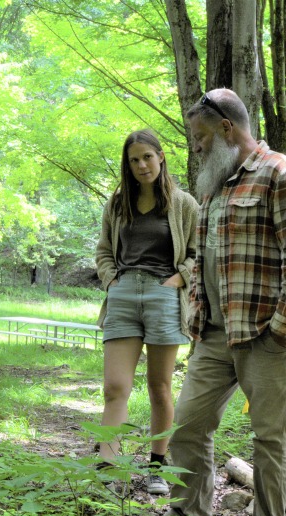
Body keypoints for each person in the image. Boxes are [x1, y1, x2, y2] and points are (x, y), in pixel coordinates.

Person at [168, 89, 286, 516]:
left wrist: (281, 329)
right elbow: (202, 259)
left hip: (263, 336)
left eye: (199, 137)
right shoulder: (214, 186)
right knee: (188, 427)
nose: (195, 146)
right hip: (213, 336)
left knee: (269, 437)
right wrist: (196, 313)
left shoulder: (280, 173)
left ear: (226, 129)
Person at [95, 129, 199, 495]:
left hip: (163, 297)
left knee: (159, 387)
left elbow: (199, 251)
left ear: (161, 157)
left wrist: (178, 279)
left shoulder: (183, 203)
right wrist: (112, 281)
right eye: (134, 160)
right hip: (123, 296)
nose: (142, 165)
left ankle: (157, 466)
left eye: (148, 157)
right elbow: (104, 249)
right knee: (115, 387)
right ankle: (108, 466)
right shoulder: (118, 202)